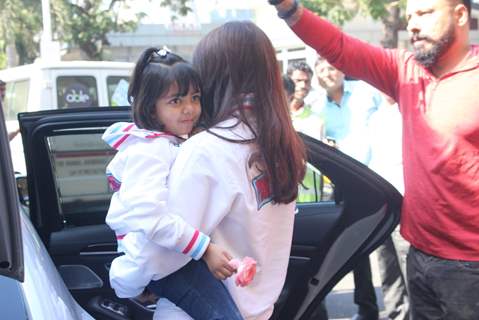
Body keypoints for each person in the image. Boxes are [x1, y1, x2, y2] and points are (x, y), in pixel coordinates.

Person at [270, 0, 479, 319]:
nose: (412, 25)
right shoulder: (405, 70)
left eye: (424, 13)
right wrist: (287, 7)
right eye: (409, 16)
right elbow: (339, 46)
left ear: (460, 15)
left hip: (469, 265)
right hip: (419, 254)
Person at [152, 21, 307, 319]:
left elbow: (163, 255)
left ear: (212, 77)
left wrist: (129, 276)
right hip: (258, 310)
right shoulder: (284, 145)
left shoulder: (206, 150)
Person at [103, 47, 242, 320]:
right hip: (166, 261)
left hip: (171, 258)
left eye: (195, 97)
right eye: (176, 101)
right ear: (151, 107)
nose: (189, 108)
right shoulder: (149, 150)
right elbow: (150, 217)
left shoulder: (170, 144)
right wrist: (205, 250)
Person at [314, 56, 382, 320]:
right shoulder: (318, 106)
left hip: (377, 179)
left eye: (331, 67)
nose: (327, 73)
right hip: (345, 184)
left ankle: (397, 307)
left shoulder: (366, 93)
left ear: (341, 69)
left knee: (385, 247)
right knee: (353, 248)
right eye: (321, 70)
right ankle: (367, 308)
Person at [368, 93, 410, 320]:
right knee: (387, 270)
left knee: (409, 269)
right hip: (383, 207)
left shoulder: (409, 113)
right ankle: (395, 315)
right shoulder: (375, 118)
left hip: (407, 204)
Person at [286, 61, 324, 140]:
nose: (303, 85)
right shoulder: (273, 112)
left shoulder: (315, 120)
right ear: (288, 81)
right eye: (298, 81)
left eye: (307, 81)